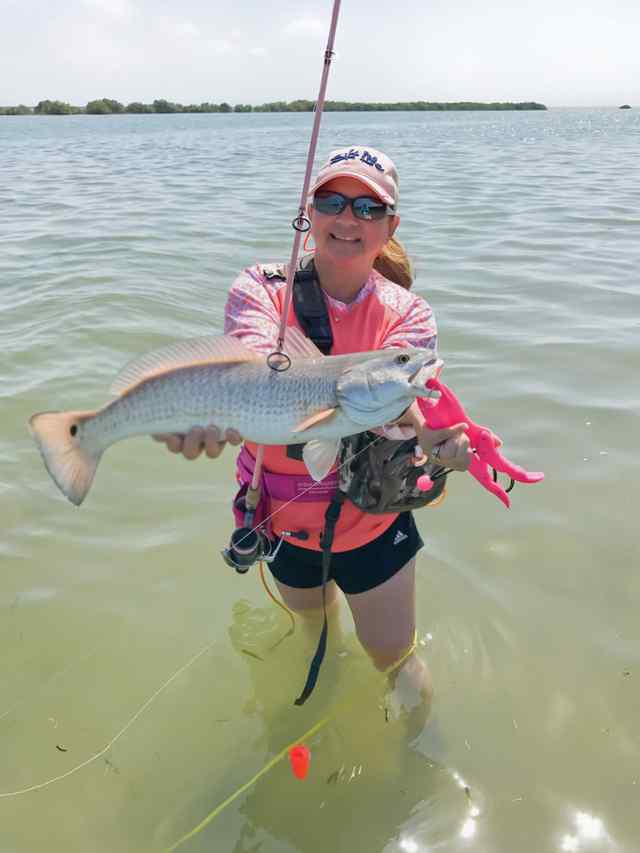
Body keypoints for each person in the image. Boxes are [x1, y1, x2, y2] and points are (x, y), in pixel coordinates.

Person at [153, 146, 472, 719]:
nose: (347, 219)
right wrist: (204, 411)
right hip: (278, 519)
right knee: (311, 632)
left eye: (368, 208)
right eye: (332, 200)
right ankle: (314, 712)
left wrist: (437, 442)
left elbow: (413, 409)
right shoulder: (260, 287)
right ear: (310, 210)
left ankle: (413, 766)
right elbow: (254, 360)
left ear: (389, 226)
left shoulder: (410, 315)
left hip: (372, 523)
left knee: (394, 659)